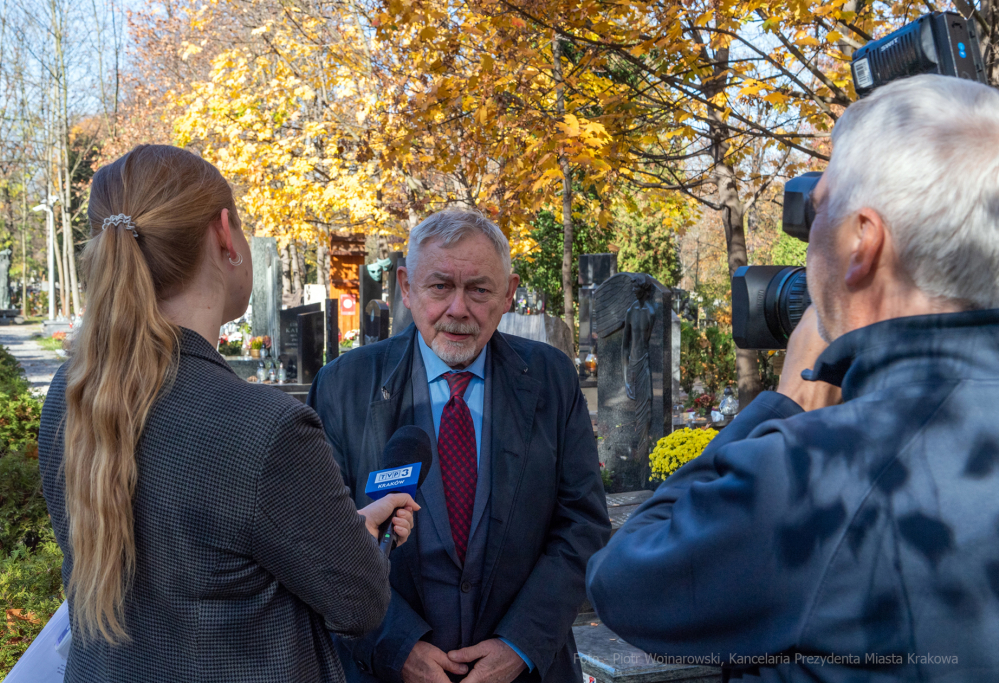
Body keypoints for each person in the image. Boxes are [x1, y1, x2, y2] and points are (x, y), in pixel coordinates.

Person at [586, 74, 999, 681]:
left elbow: (623, 581)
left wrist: (787, 402)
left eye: (817, 209)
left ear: (863, 242)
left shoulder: (817, 474)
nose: (805, 242)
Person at [38, 144, 418, 682]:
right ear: (224, 235)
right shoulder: (266, 427)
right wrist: (363, 546)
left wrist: (338, 532)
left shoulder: (70, 392)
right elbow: (359, 604)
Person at [308, 209, 611, 683]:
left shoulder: (551, 379)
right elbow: (317, 542)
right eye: (440, 286)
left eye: (479, 290)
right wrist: (397, 647)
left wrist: (520, 645)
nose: (458, 309)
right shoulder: (343, 386)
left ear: (508, 294)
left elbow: (582, 524)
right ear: (407, 288)